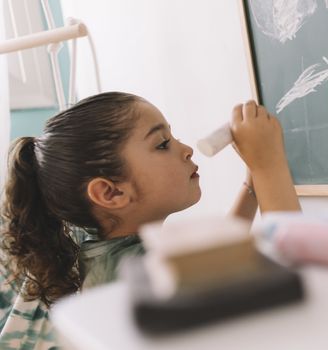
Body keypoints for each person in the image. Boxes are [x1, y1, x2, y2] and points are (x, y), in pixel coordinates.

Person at [0, 91, 301, 348]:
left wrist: (252, 186)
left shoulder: (111, 254)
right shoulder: (131, 280)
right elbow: (303, 276)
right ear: (110, 192)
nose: (186, 150)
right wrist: (269, 166)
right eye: (162, 144)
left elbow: (213, 258)